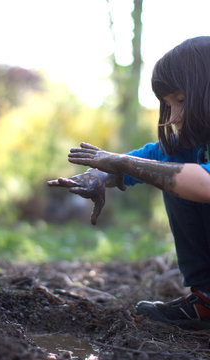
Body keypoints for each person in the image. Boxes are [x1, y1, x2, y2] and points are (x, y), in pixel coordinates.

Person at [48, 36, 210, 330]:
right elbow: (138, 162)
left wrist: (123, 164)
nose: (172, 116)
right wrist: (98, 175)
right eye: (167, 105)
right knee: (168, 170)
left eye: (181, 101)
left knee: (178, 175)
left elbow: (205, 184)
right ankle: (206, 301)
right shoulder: (186, 144)